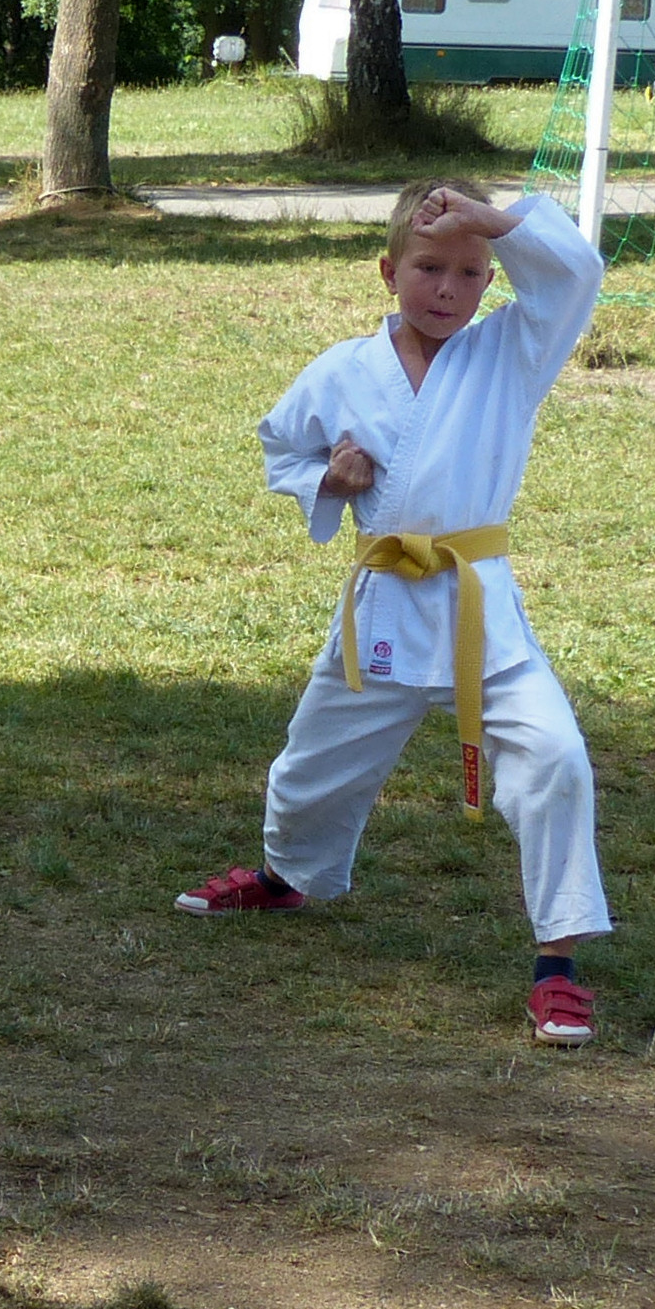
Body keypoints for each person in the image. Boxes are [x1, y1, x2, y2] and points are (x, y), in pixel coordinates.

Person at [174, 178, 610, 1047]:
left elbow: (574, 275)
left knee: (556, 758)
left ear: (492, 277)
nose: (446, 290)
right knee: (308, 768)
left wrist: (492, 221)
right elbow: (281, 446)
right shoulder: (343, 370)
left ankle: (556, 964)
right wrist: (327, 480)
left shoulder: (514, 350)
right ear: (387, 271)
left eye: (469, 272)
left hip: (478, 608)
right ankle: (285, 877)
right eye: (427, 269)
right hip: (382, 605)